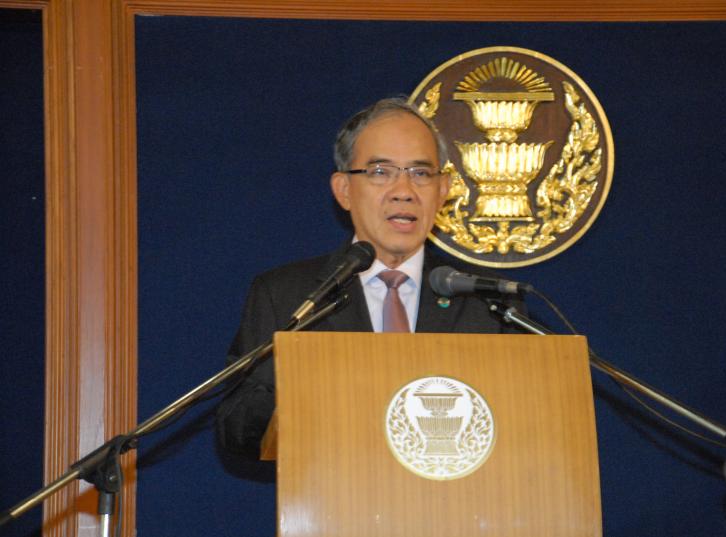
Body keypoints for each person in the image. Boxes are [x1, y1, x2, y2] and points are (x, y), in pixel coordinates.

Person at [216, 97, 525, 459]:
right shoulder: (287, 295)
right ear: (344, 190)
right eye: (381, 172)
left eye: (421, 173)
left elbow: (525, 425)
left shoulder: (488, 301)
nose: (404, 191)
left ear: (443, 190)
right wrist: (309, 407)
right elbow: (235, 424)